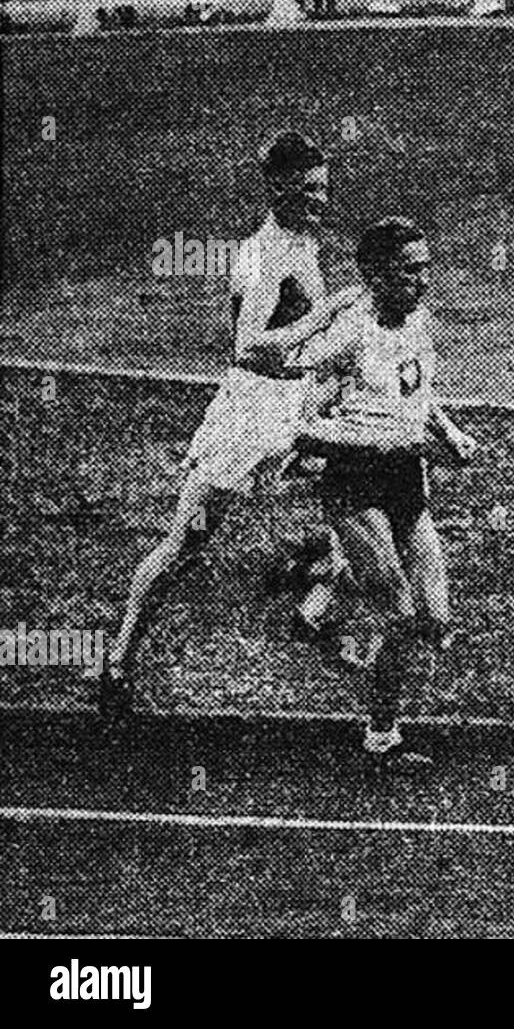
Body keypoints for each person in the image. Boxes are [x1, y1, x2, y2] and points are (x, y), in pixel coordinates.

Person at [101, 133, 354, 717]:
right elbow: (247, 348)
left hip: (292, 405)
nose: (323, 198)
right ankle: (118, 659)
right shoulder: (266, 254)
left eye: (325, 186)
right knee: (187, 541)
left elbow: (294, 343)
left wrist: (328, 360)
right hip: (249, 417)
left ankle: (314, 600)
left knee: (357, 485)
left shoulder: (300, 243)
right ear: (279, 187)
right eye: (310, 189)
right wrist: (327, 313)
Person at [293, 218, 479, 758]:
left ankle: (323, 598)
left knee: (434, 618)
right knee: (397, 613)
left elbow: (415, 393)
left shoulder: (418, 319)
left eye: (425, 268)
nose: (422, 281)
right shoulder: (349, 337)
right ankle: (381, 734)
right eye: (408, 270)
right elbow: (302, 425)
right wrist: (372, 444)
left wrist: (448, 430)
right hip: (356, 485)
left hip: (406, 479)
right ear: (374, 274)